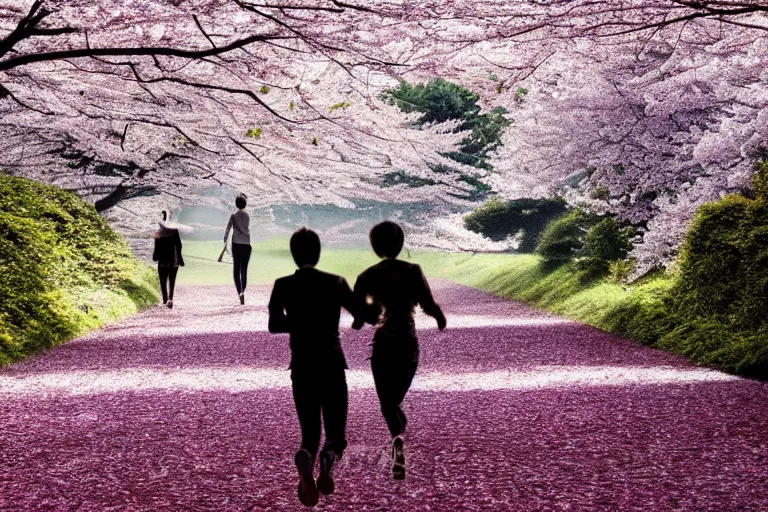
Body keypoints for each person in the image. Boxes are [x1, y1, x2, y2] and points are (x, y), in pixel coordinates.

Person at [267, 228, 361, 507]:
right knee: (335, 433)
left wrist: (299, 323)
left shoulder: (282, 285)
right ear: (318, 253)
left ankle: (307, 455)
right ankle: (327, 459)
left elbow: (274, 325)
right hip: (331, 362)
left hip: (302, 365)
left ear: (294, 255)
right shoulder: (336, 282)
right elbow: (359, 313)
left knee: (309, 432)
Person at [352, 221, 446, 480]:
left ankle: (397, 437)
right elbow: (428, 303)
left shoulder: (367, 276)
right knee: (394, 400)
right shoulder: (413, 270)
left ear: (375, 246)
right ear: (400, 243)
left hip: (383, 344)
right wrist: (439, 318)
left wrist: (363, 320)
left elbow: (359, 315)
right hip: (407, 343)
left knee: (387, 403)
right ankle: (397, 438)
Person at [152, 210, 184, 309]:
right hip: (173, 259)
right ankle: (170, 299)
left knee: (163, 280)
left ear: (162, 218)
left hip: (162, 259)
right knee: (172, 280)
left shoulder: (159, 231)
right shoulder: (174, 230)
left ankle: (165, 300)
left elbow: (157, 246)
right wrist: (179, 258)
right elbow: (179, 245)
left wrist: (155, 256)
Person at [223, 193, 251, 305]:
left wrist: (225, 241)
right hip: (247, 244)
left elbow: (228, 229)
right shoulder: (247, 216)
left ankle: (239, 292)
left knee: (236, 269)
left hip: (237, 244)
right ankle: (243, 290)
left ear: (236, 204)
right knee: (244, 270)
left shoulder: (233, 216)